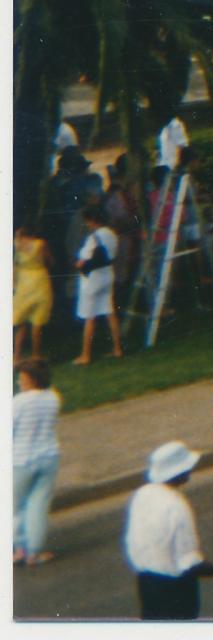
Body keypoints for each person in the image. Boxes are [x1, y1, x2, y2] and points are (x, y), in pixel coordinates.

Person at [124, 441, 213, 618]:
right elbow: (189, 564)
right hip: (174, 592)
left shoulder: (142, 494)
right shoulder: (177, 506)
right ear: (180, 472)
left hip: (146, 585)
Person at [13, 358, 62, 567]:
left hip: (20, 460)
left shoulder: (18, 402)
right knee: (38, 505)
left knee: (14, 507)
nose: (18, 382)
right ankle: (34, 551)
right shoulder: (53, 397)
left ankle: (18, 548)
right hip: (48, 455)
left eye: (21, 378)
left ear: (31, 379)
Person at [73, 202, 124, 365]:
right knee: (109, 311)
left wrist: (78, 264)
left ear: (92, 220)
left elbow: (84, 260)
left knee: (90, 317)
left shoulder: (93, 238)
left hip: (93, 278)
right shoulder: (111, 234)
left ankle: (85, 355)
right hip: (107, 274)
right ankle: (117, 348)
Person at [13, 222, 54, 362]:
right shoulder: (41, 244)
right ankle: (36, 354)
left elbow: (14, 264)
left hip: (23, 282)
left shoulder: (16, 244)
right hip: (39, 280)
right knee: (37, 320)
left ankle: (16, 356)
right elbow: (50, 261)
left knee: (21, 322)